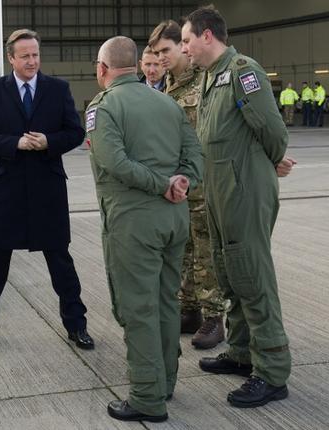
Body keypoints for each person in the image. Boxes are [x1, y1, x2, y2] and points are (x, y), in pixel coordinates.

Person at [181, 5, 293, 408]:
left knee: (253, 277)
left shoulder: (245, 71)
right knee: (229, 273)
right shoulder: (211, 76)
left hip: (243, 192)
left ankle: (272, 373)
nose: (184, 48)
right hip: (219, 191)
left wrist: (261, 164)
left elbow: (273, 130)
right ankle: (243, 353)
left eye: (187, 40)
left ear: (207, 35)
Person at [87, 36, 202, 423]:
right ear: (136, 67)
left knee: (138, 308)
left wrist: (159, 184)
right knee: (166, 302)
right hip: (174, 220)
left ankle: (147, 397)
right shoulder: (167, 103)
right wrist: (182, 181)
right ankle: (165, 380)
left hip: (134, 223)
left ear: (102, 69)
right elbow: (194, 154)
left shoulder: (102, 107)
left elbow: (114, 161)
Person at [0, 28, 94, 351]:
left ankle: (77, 326)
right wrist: (15, 143)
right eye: (25, 56)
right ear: (11, 58)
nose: (32, 61)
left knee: (61, 262)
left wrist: (49, 142)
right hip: (8, 191)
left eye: (35, 55)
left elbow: (74, 133)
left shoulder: (57, 89)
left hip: (48, 190)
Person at [149, 19, 226, 349]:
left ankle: (213, 317)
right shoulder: (165, 85)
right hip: (177, 186)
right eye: (155, 52)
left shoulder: (204, 80)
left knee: (206, 253)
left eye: (166, 50)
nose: (161, 57)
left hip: (204, 184)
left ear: (182, 46)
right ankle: (190, 309)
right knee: (183, 252)